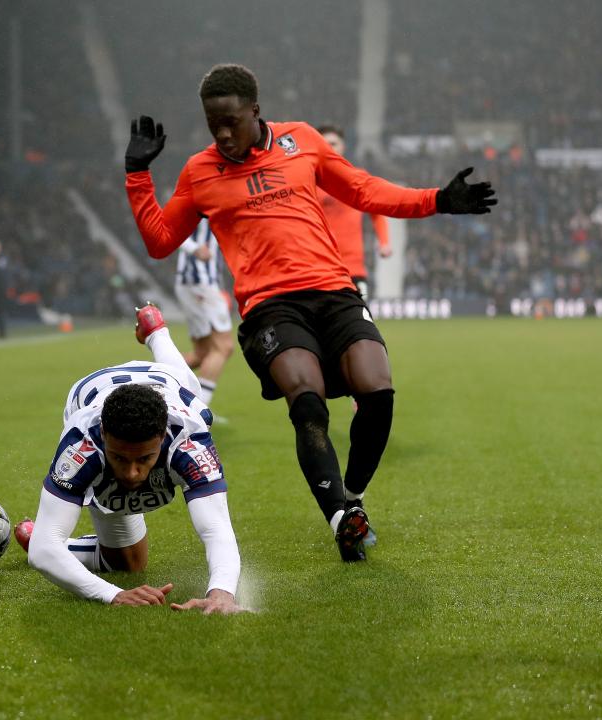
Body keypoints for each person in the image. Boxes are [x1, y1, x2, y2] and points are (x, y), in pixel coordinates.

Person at [124, 63, 495, 561]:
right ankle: (340, 517)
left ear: (256, 111)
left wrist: (438, 200)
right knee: (307, 401)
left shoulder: (302, 140)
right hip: (270, 307)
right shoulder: (200, 171)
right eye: (214, 124)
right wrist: (138, 175)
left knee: (378, 391)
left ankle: (353, 497)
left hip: (334, 292)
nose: (224, 133)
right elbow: (159, 241)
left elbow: (363, 190)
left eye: (232, 120)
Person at [14, 303, 243, 614]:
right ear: (105, 435)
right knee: (128, 564)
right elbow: (42, 554)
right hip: (90, 392)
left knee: (191, 389)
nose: (133, 473)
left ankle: (156, 332)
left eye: (144, 459)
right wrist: (113, 594)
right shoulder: (83, 445)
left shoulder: (189, 442)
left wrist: (222, 593)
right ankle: (44, 532)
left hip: (168, 383)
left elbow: (216, 528)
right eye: (120, 458)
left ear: (162, 438)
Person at [317, 124, 391, 298]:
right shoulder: (308, 179)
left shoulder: (358, 176)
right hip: (320, 268)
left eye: (333, 143)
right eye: (324, 143)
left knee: (361, 321)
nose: (329, 147)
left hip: (353, 267)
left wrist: (384, 242)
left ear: (343, 146)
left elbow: (376, 210)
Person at [173, 216, 234, 406]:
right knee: (223, 347)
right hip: (200, 282)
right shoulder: (201, 195)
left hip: (196, 282)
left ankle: (152, 382)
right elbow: (168, 226)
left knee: (202, 353)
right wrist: (194, 249)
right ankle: (198, 409)